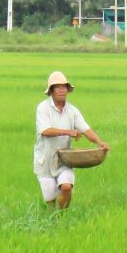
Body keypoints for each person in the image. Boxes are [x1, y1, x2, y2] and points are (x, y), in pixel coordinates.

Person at [34, 70, 109, 209]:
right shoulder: (43, 108)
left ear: (67, 89)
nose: (62, 90)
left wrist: (100, 143)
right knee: (50, 200)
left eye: (64, 87)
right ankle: (54, 218)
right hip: (44, 160)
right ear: (51, 91)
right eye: (58, 87)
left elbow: (85, 129)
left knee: (67, 187)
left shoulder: (72, 111)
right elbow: (44, 131)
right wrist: (68, 132)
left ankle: (62, 215)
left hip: (64, 159)